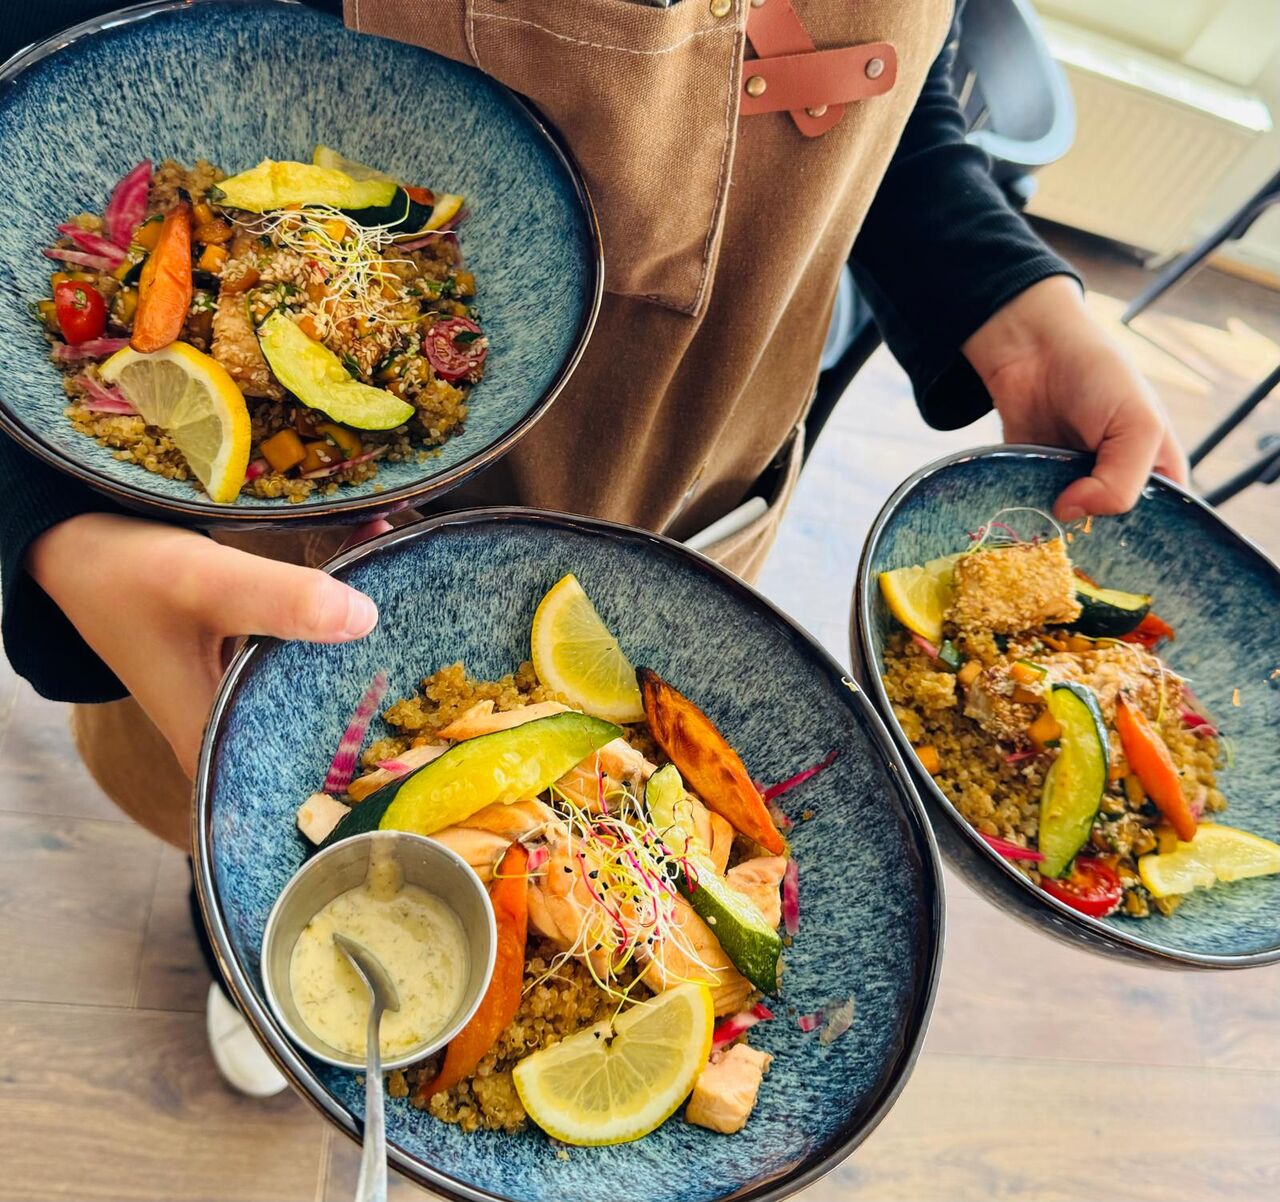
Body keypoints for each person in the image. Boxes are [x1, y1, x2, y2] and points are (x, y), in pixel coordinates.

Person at [1, 0, 1184, 1094]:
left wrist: (1000, 286)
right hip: (282, 534)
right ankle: (250, 929)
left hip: (697, 466)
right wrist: (45, 524)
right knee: (287, 817)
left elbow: (879, 61)